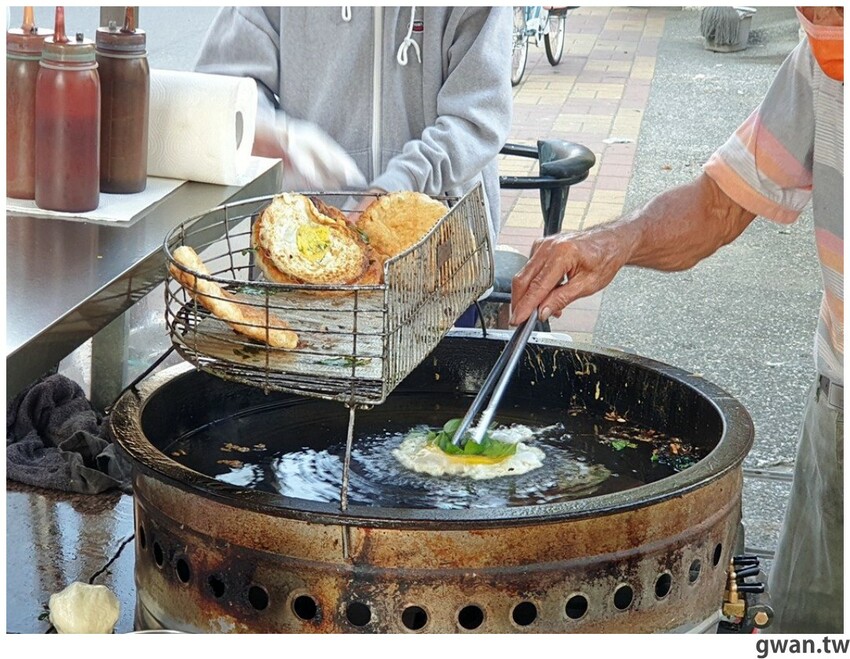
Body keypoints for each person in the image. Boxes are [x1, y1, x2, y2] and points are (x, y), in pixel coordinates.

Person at [511, 6, 843, 634]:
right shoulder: (822, 53)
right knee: (811, 632)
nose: (816, 15)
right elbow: (719, 206)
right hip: (839, 400)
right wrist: (615, 241)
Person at [194, 7, 513, 241]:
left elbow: (476, 118)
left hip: (441, 243)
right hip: (307, 236)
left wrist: (400, 184)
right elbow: (223, 86)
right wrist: (268, 133)